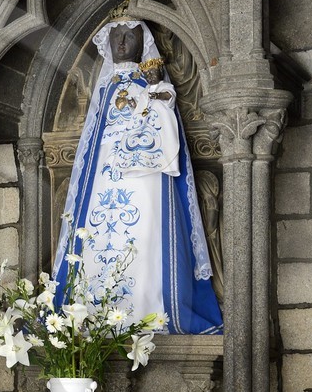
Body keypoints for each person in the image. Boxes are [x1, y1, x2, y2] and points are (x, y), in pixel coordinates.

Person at [54, 17, 223, 333]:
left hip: (144, 175)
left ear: (141, 43)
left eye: (129, 36)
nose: (122, 42)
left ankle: (148, 308)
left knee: (146, 233)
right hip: (104, 177)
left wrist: (156, 89)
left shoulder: (151, 81)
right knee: (94, 236)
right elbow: (90, 143)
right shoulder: (103, 90)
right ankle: (93, 313)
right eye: (117, 36)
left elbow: (165, 114)